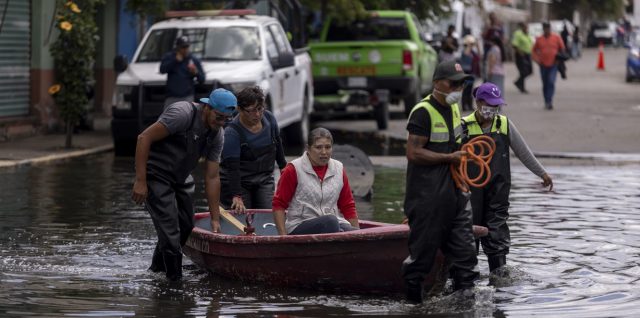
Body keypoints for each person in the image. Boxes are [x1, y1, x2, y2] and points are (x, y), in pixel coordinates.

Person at [131, 88, 236, 281]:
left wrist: (215, 218)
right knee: (170, 231)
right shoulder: (182, 114)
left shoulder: (217, 135)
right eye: (218, 117)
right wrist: (140, 180)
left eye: (226, 120)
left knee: (186, 226)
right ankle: (175, 285)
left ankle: (156, 271)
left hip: (180, 177)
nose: (221, 123)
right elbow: (143, 138)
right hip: (156, 175)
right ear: (207, 107)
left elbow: (212, 177)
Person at [402, 60, 478, 303]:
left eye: (462, 83)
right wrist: (449, 157)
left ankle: (466, 304)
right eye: (453, 83)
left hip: (456, 193)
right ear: (437, 83)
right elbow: (413, 153)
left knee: (466, 255)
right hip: (427, 198)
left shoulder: (455, 109)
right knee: (421, 260)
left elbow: (457, 145)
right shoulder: (423, 111)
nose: (459, 88)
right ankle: (414, 306)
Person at [461, 83, 553, 275]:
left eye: (496, 106)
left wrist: (542, 173)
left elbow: (523, 152)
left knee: (497, 238)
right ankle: (464, 281)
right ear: (478, 102)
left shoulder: (503, 124)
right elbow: (446, 157)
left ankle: (499, 278)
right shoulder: (463, 126)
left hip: (498, 194)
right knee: (467, 239)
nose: (492, 110)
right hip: (470, 194)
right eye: (488, 105)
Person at [272, 127, 359, 235]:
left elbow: (348, 205)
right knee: (330, 221)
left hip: (335, 224)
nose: (324, 152)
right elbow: (278, 204)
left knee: (354, 231)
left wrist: (358, 235)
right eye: (318, 147)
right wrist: (283, 237)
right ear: (308, 148)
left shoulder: (339, 168)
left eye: (328, 147)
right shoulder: (293, 169)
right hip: (299, 224)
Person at [220, 86, 286, 212]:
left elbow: (278, 145)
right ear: (239, 109)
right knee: (244, 216)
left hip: (264, 179)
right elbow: (232, 168)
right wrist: (236, 195)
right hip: (239, 182)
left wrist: (284, 167)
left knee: (268, 214)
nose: (257, 115)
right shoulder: (232, 133)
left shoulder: (270, 119)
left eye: (260, 109)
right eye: (251, 111)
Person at [159, 36, 205, 108]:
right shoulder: (169, 57)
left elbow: (202, 79)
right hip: (171, 97)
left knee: (187, 117)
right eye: (183, 47)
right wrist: (175, 61)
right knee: (169, 117)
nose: (185, 49)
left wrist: (196, 72)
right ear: (178, 47)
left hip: (187, 96)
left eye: (187, 47)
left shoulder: (193, 59)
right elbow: (162, 70)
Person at [532, 22, 565, 110]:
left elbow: (562, 49)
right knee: (545, 83)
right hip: (543, 65)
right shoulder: (539, 39)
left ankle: (549, 101)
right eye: (545, 28)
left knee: (551, 82)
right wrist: (537, 60)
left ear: (550, 28)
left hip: (554, 64)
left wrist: (559, 59)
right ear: (543, 29)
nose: (547, 30)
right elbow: (534, 51)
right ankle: (546, 100)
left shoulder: (556, 38)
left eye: (548, 28)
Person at [459, 35, 481, 111]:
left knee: (470, 90)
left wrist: (477, 46)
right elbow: (467, 53)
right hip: (466, 73)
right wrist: (469, 45)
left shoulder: (473, 52)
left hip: (472, 73)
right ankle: (464, 105)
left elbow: (479, 57)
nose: (472, 45)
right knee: (465, 90)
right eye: (471, 44)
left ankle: (469, 105)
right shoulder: (465, 51)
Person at [511, 22, 533, 93]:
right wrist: (520, 53)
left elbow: (530, 43)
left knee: (529, 71)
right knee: (523, 71)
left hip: (528, 54)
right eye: (525, 27)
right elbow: (514, 45)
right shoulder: (518, 34)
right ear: (522, 27)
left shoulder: (527, 34)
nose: (527, 29)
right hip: (521, 55)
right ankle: (522, 88)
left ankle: (518, 82)